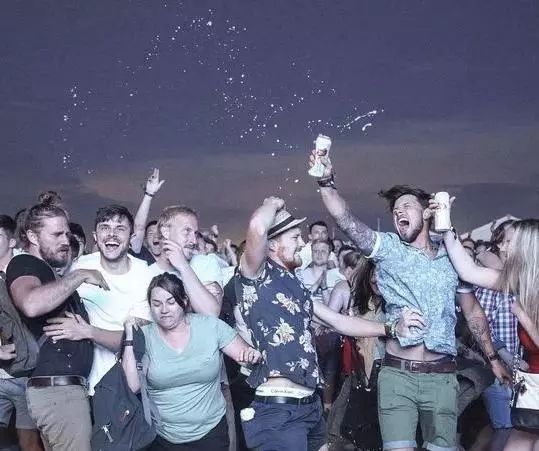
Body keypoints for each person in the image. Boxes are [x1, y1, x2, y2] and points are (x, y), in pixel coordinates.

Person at [309, 148, 509, 451]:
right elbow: (346, 220)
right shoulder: (389, 249)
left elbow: (473, 313)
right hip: (397, 376)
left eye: (406, 206)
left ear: (427, 212)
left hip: (442, 378)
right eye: (395, 211)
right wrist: (326, 183)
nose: (398, 213)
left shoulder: (453, 257)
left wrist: (492, 359)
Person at [234, 197, 411, 451]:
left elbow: (338, 321)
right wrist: (272, 204)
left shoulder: (294, 284)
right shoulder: (256, 276)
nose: (302, 243)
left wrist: (391, 328)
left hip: (310, 407)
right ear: (272, 244)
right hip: (278, 412)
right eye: (295, 237)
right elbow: (257, 227)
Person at [6, 196, 108, 451]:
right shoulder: (24, 263)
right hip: (58, 395)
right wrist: (79, 275)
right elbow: (31, 303)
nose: (65, 240)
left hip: (62, 393)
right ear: (32, 236)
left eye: (67, 234)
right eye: (57, 234)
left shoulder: (47, 271)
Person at [433, 211, 539, 450]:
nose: (501, 247)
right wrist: (447, 229)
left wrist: (523, 315)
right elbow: (468, 271)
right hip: (532, 387)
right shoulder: (520, 283)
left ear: (528, 248)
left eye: (509, 242)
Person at [122, 273, 261, 451]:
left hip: (211, 432)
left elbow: (248, 358)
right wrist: (129, 337)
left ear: (184, 301)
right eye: (156, 304)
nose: (164, 310)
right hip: (163, 437)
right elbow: (131, 386)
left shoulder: (210, 326)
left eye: (171, 302)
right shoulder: (144, 336)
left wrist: (251, 356)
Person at [46, 205, 154, 394]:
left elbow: (140, 341)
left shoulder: (145, 275)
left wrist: (87, 331)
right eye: (105, 228)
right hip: (82, 383)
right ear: (95, 236)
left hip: (127, 386)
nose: (112, 234)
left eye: (120, 229)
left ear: (131, 237)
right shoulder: (79, 268)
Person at [297, 239, 344, 412]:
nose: (319, 254)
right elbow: (299, 303)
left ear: (330, 253)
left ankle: (327, 406)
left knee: (330, 369)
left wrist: (323, 286)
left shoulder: (337, 276)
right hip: (307, 327)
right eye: (315, 250)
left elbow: (334, 308)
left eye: (323, 251)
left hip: (329, 329)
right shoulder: (301, 274)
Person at [130, 168, 165, 265]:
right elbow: (139, 227)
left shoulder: (175, 260)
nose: (156, 236)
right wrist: (149, 194)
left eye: (159, 233)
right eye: (150, 233)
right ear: (145, 240)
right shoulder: (141, 255)